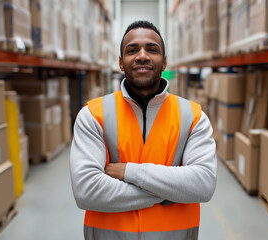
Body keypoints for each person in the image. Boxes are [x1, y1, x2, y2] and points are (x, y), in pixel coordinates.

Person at [70, 20, 217, 240]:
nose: (142, 56)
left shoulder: (193, 117)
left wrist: (128, 172)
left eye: (152, 49)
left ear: (164, 62)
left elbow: (203, 185)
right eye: (132, 50)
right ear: (121, 62)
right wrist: (170, 192)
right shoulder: (94, 115)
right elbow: (87, 191)